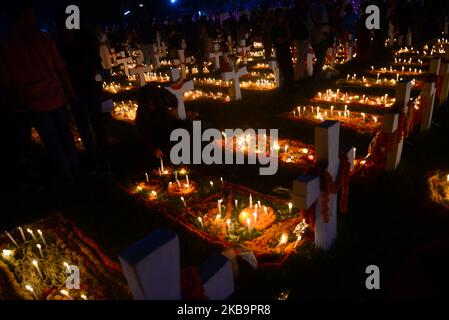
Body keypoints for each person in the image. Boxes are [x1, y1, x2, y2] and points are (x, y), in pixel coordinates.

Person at [0, 2, 79, 185]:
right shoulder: (43, 38)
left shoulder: (6, 45)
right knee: (65, 136)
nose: (35, 16)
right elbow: (61, 68)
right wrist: (70, 91)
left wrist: (19, 97)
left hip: (33, 101)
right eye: (32, 12)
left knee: (52, 141)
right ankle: (76, 172)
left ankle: (67, 178)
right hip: (55, 96)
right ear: (24, 14)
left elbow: (6, 80)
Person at [56, 21, 109, 173]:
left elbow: (95, 58)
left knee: (95, 122)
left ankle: (102, 157)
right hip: (75, 87)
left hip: (86, 85)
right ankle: (94, 156)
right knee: (84, 123)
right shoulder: (61, 40)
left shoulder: (84, 36)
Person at [135, 84, 185, 164]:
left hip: (167, 147)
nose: (151, 105)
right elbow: (143, 134)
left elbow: (169, 129)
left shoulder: (162, 111)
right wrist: (154, 149)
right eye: (148, 102)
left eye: (152, 102)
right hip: (153, 152)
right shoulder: (142, 115)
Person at [307, 0, 330, 81]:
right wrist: (327, 33)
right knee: (321, 58)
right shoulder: (321, 8)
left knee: (319, 57)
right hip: (320, 36)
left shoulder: (311, 8)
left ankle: (317, 76)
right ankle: (316, 77)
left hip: (313, 36)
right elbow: (322, 23)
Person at [272, 9, 294, 88]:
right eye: (281, 16)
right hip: (280, 50)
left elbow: (289, 37)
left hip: (286, 49)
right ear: (277, 17)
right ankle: (286, 85)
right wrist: (287, 39)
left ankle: (291, 84)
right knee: (284, 68)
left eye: (284, 16)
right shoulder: (275, 28)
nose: (283, 18)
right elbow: (280, 41)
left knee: (290, 67)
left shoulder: (285, 26)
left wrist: (287, 27)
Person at [291, 0, 309, 80]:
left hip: (305, 36)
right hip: (299, 37)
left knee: (303, 56)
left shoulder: (306, 10)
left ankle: (300, 74)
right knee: (300, 56)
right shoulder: (296, 11)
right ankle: (298, 75)